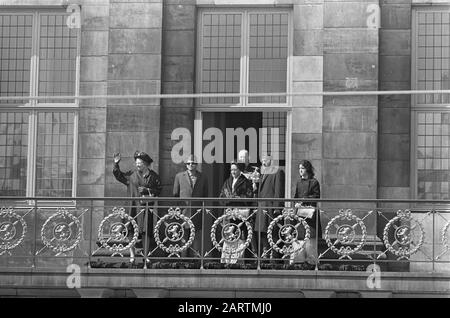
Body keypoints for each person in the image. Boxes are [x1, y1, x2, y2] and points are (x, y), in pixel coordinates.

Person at [113, 151, 162, 263]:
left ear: (146, 164)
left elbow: (159, 190)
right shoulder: (131, 175)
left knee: (146, 231)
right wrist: (116, 164)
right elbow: (119, 175)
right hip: (133, 207)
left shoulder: (153, 176)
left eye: (140, 163)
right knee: (131, 230)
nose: (138, 165)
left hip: (146, 208)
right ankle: (132, 254)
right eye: (137, 163)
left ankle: (145, 254)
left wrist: (147, 190)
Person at [173, 155, 209, 258]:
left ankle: (195, 258)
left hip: (197, 210)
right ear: (186, 165)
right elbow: (175, 193)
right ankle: (183, 258)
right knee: (183, 234)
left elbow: (205, 194)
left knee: (196, 234)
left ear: (196, 165)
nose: (190, 165)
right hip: (184, 210)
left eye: (192, 163)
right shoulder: (179, 176)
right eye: (188, 163)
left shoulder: (203, 177)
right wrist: (178, 209)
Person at [218, 161, 254, 263]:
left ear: (240, 170)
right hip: (229, 213)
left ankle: (239, 260)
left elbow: (249, 197)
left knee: (239, 236)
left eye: (235, 169)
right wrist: (226, 201)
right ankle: (227, 260)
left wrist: (236, 198)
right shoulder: (227, 181)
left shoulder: (246, 182)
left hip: (240, 213)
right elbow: (222, 195)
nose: (233, 172)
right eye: (232, 169)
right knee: (228, 235)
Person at [254, 154, 285, 260]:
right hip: (261, 207)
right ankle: (265, 254)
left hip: (271, 207)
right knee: (262, 232)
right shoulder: (262, 172)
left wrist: (277, 207)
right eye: (262, 161)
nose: (263, 163)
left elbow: (278, 190)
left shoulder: (277, 171)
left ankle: (274, 257)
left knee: (273, 232)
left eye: (265, 160)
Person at [293, 160, 322, 266]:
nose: (300, 170)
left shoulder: (314, 182)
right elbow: (295, 196)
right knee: (299, 239)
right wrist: (295, 203)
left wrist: (303, 200)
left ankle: (312, 262)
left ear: (308, 169)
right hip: (300, 215)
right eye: (299, 168)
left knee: (310, 241)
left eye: (302, 168)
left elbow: (316, 196)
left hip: (310, 217)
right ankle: (299, 261)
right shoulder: (298, 182)